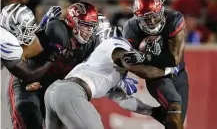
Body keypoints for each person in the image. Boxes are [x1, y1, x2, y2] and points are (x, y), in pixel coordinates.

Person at [44, 23, 176, 129]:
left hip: (55, 92)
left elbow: (124, 99)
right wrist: (167, 70)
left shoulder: (107, 70)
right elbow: (143, 71)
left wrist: (153, 112)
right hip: (70, 94)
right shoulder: (120, 46)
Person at [6, 2, 99, 129]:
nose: (90, 31)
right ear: (73, 22)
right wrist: (40, 31)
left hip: (52, 89)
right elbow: (21, 53)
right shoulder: (56, 31)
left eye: (92, 26)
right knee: (28, 112)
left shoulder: (90, 45)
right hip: (29, 84)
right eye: (86, 25)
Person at [122, 0, 189, 129]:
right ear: (138, 18)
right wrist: (157, 70)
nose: (152, 22)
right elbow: (133, 66)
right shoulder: (131, 28)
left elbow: (173, 60)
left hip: (179, 74)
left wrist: (146, 57)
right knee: (174, 104)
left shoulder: (174, 19)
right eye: (147, 19)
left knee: (176, 123)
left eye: (155, 16)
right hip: (155, 77)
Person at [0, 4, 61, 82]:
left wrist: (43, 24)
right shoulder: (7, 42)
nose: (30, 32)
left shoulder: (5, 33)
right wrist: (51, 59)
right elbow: (29, 75)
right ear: (12, 28)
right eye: (25, 28)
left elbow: (26, 34)